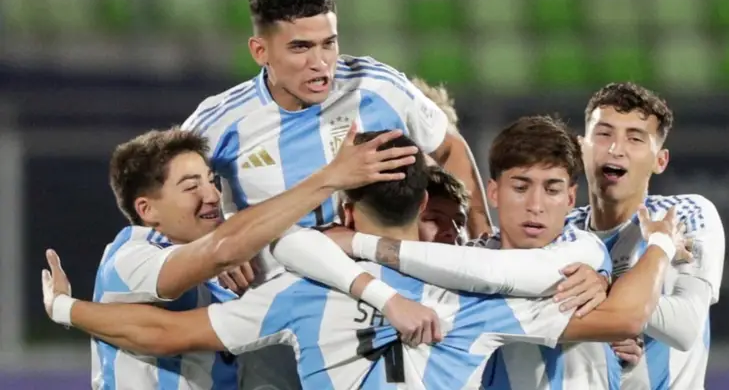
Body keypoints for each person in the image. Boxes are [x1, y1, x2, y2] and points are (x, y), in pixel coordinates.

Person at [43, 132, 686, 390]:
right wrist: (652, 248)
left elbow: (163, 331)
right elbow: (625, 317)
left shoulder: (294, 292)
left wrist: (66, 308)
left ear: (346, 211)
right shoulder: (481, 296)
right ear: (423, 207)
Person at [181, 0, 491, 286]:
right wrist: (207, 244)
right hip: (273, 300)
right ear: (261, 51)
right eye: (300, 47)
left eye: (328, 43)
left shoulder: (376, 86)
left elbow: (449, 147)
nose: (319, 63)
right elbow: (165, 197)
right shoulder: (221, 121)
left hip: (386, 294)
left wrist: (483, 236)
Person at [324, 116, 678, 389]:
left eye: (552, 190)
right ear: (493, 193)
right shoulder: (465, 262)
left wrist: (358, 243)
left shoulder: (583, 251)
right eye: (520, 187)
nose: (536, 205)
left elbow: (497, 274)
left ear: (570, 199)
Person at [81, 126, 439, 389]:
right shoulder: (130, 258)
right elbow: (221, 251)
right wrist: (330, 178)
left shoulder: (227, 257)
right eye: (191, 187)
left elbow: (288, 245)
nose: (211, 195)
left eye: (211, 180)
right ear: (147, 209)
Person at [566, 83, 725, 389]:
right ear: (581, 148)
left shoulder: (684, 215)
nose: (616, 148)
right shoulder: (560, 231)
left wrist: (605, 289)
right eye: (604, 134)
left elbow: (685, 327)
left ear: (659, 161)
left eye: (635, 138)